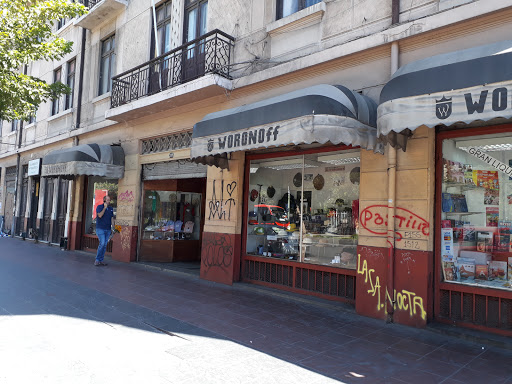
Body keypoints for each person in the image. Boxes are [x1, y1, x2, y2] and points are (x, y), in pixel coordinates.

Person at [95, 195, 114, 266]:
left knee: (105, 245)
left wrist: (113, 227)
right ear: (104, 200)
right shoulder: (99, 207)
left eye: (109, 200)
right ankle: (97, 259)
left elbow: (112, 218)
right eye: (108, 200)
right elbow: (99, 215)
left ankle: (101, 260)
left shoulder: (111, 209)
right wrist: (104, 208)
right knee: (102, 243)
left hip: (108, 229)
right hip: (100, 228)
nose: (109, 201)